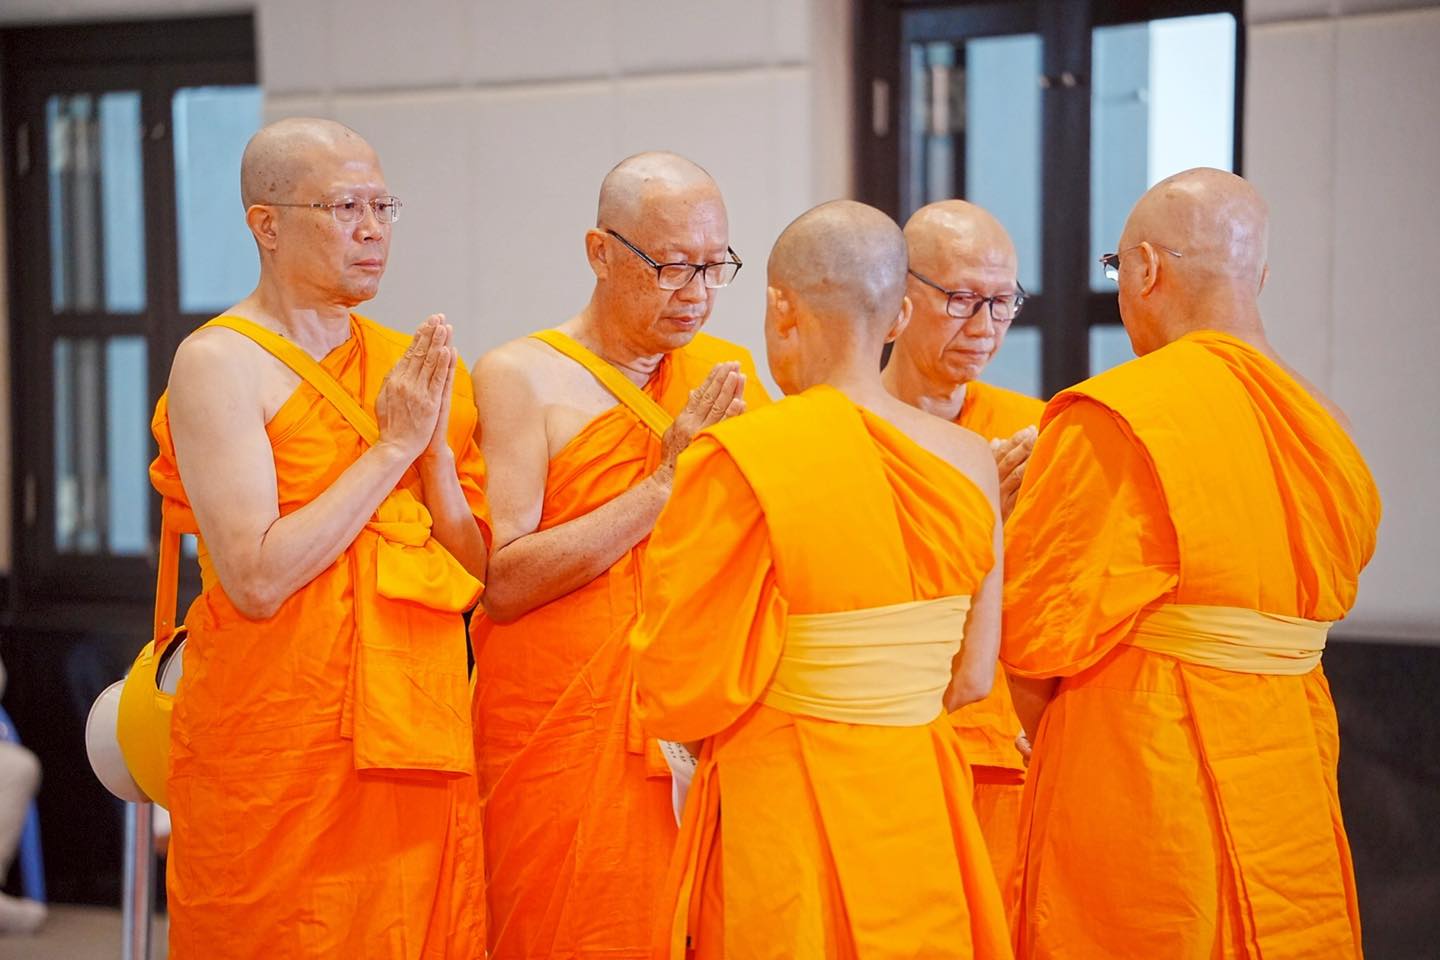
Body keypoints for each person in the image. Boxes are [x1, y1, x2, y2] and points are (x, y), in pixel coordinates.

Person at [1003, 168, 1381, 958]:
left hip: (1149, 775)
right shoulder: (1329, 424)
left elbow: (1034, 638)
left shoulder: (1119, 415)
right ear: (1260, 276)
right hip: (1293, 771)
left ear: (1144, 268)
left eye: (1116, 270)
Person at [632, 200, 1013, 959]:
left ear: (781, 305)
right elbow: (973, 676)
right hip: (917, 793)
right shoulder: (971, 459)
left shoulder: (741, 454)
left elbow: (678, 683)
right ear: (901, 314)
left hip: (785, 799)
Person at [150, 118, 489, 958]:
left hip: (414, 734)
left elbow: (475, 573)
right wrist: (393, 450)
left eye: (383, 206)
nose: (372, 229)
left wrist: (434, 455)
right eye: (344, 207)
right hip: (282, 745)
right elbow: (258, 577)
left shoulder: (404, 364)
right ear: (267, 224)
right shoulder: (219, 363)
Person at [470, 151, 769, 957]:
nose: (697, 292)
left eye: (715, 266)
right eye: (672, 266)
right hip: (564, 728)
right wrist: (665, 481)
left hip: (698, 717)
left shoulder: (724, 377)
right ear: (601, 252)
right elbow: (502, 580)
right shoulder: (520, 377)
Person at [882, 199, 1041, 908]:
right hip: (888, 743)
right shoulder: (843, 429)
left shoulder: (1033, 431)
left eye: (1002, 303)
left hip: (1009, 748)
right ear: (897, 297)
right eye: (961, 300)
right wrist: (982, 528)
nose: (984, 329)